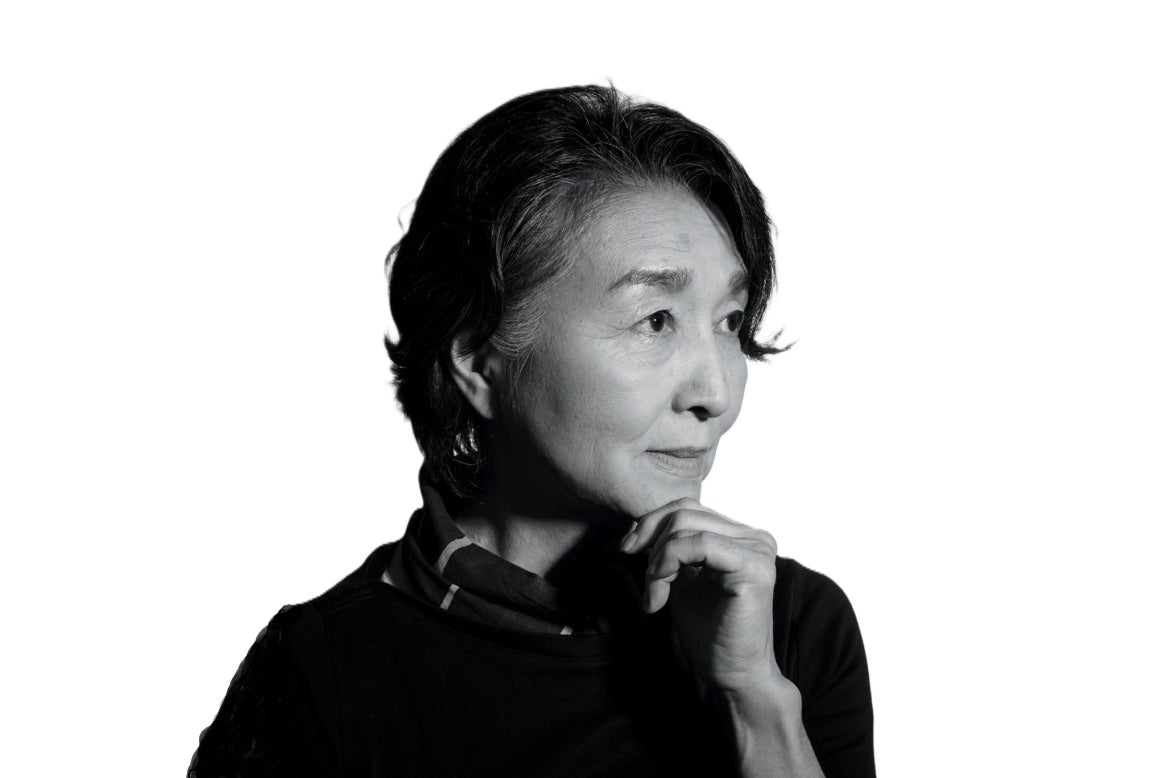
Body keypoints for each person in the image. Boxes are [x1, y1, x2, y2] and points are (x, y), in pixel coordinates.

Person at [189, 84, 874, 777]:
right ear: (477, 360)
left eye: (729, 321)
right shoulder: (325, 670)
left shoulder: (785, 625)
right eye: (655, 320)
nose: (715, 394)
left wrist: (758, 702)